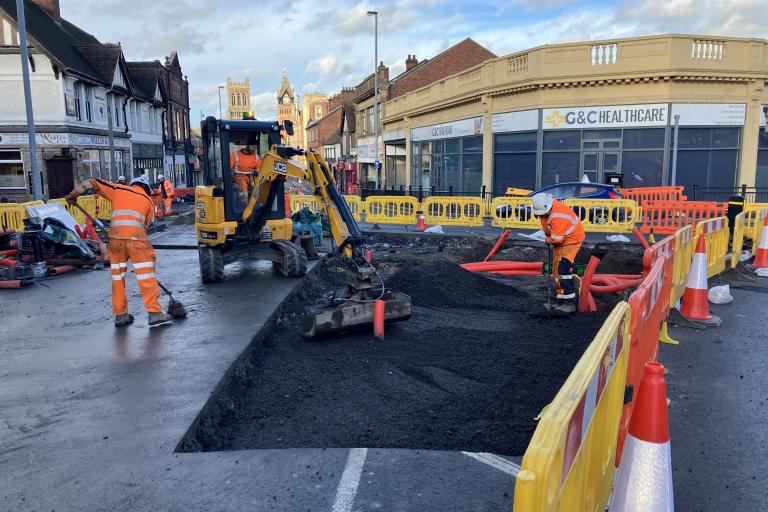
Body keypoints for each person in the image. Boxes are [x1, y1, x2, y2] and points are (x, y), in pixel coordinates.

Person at [65, 175, 172, 327]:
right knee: (146, 275)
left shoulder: (119, 189)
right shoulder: (148, 201)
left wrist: (73, 195)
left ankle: (121, 315)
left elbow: (92, 182)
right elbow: (145, 226)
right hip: (137, 240)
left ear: (132, 184)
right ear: (146, 189)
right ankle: (154, 313)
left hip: (115, 239)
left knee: (117, 278)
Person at [532, 192, 585, 312]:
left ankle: (570, 303)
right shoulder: (545, 211)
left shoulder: (558, 216)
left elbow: (557, 239)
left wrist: (548, 239)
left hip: (571, 240)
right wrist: (548, 237)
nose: (541, 216)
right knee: (555, 271)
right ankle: (560, 300)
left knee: (563, 271)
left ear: (548, 208)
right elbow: (548, 229)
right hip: (561, 240)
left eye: (543, 214)